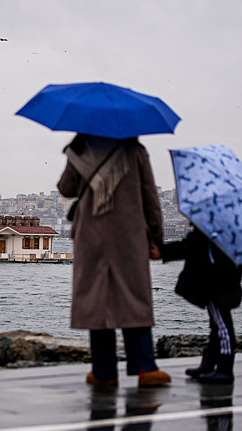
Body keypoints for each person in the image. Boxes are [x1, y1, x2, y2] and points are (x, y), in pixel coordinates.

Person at [58, 134, 170, 388]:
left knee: (96, 300)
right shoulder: (136, 151)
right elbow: (150, 198)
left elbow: (66, 188)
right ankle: (145, 368)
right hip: (129, 235)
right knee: (134, 298)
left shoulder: (81, 149)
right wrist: (157, 239)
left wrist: (75, 153)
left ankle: (103, 371)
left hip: (91, 236)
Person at [154, 226, 242, 383]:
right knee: (217, 325)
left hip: (216, 282)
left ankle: (225, 368)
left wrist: (163, 251)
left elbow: (192, 245)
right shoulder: (228, 224)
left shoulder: (212, 224)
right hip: (223, 280)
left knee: (222, 326)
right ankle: (209, 363)